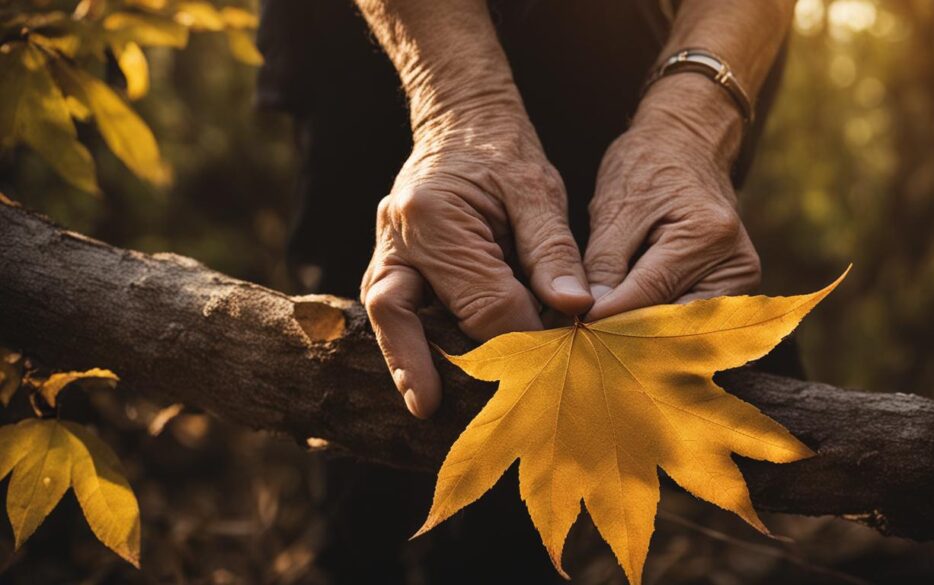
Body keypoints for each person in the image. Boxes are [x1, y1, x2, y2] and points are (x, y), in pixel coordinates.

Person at [257, 1, 795, 582]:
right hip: (365, 44)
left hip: (630, 43)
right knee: (390, 336)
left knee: (514, 529)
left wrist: (691, 116)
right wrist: (458, 105)